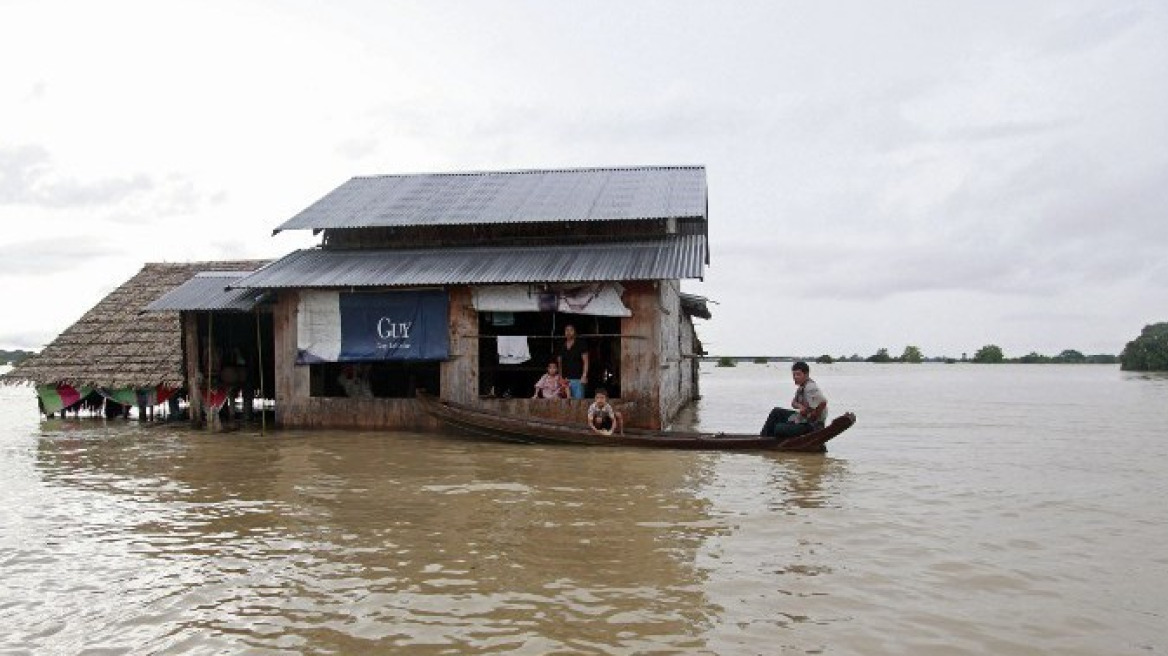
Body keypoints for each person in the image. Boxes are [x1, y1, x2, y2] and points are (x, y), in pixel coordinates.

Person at [760, 361, 828, 438]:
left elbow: (823, 402)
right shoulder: (801, 387)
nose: (795, 377)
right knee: (776, 412)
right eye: (794, 375)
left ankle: (765, 439)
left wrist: (812, 417)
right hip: (803, 419)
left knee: (778, 428)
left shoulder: (810, 387)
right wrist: (800, 407)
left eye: (798, 374)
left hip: (812, 426)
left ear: (806, 375)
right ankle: (763, 438)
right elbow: (793, 403)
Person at [556, 323, 590, 399]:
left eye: (571, 330)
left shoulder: (581, 344)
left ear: (575, 332)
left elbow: (586, 361)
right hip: (565, 380)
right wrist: (560, 377)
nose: (568, 332)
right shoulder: (561, 345)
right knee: (565, 404)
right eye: (567, 330)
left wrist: (584, 376)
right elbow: (559, 363)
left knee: (578, 402)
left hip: (578, 379)